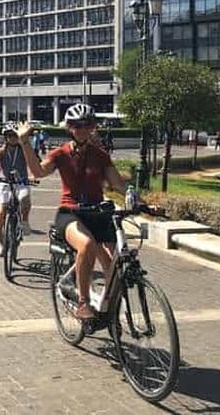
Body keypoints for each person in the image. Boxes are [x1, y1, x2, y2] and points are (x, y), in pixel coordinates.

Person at [18, 103, 135, 321]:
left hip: (97, 212)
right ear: (69, 128)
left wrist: (142, 202)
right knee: (88, 245)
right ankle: (83, 302)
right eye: (77, 125)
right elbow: (38, 172)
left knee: (115, 261)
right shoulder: (60, 154)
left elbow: (118, 184)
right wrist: (25, 142)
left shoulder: (100, 155)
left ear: (93, 127)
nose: (83, 129)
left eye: (87, 125)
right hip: (71, 213)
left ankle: (108, 307)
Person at [0, 122, 33, 257]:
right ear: (5, 137)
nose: (12, 138)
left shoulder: (24, 150)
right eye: (9, 135)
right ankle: (0, 243)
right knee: (2, 212)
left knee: (25, 199)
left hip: (21, 181)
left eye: (15, 135)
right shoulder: (1, 151)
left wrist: (33, 176)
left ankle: (24, 221)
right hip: (5, 182)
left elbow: (32, 163)